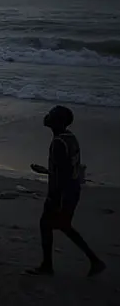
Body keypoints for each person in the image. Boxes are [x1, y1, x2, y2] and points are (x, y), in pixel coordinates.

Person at [26, 106, 105, 277]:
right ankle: (94, 260)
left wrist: (55, 200)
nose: (47, 116)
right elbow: (68, 169)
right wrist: (46, 171)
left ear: (58, 122)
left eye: (51, 115)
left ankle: (48, 266)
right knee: (64, 226)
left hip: (62, 194)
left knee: (47, 225)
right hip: (72, 190)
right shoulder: (71, 138)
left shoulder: (58, 143)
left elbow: (61, 177)